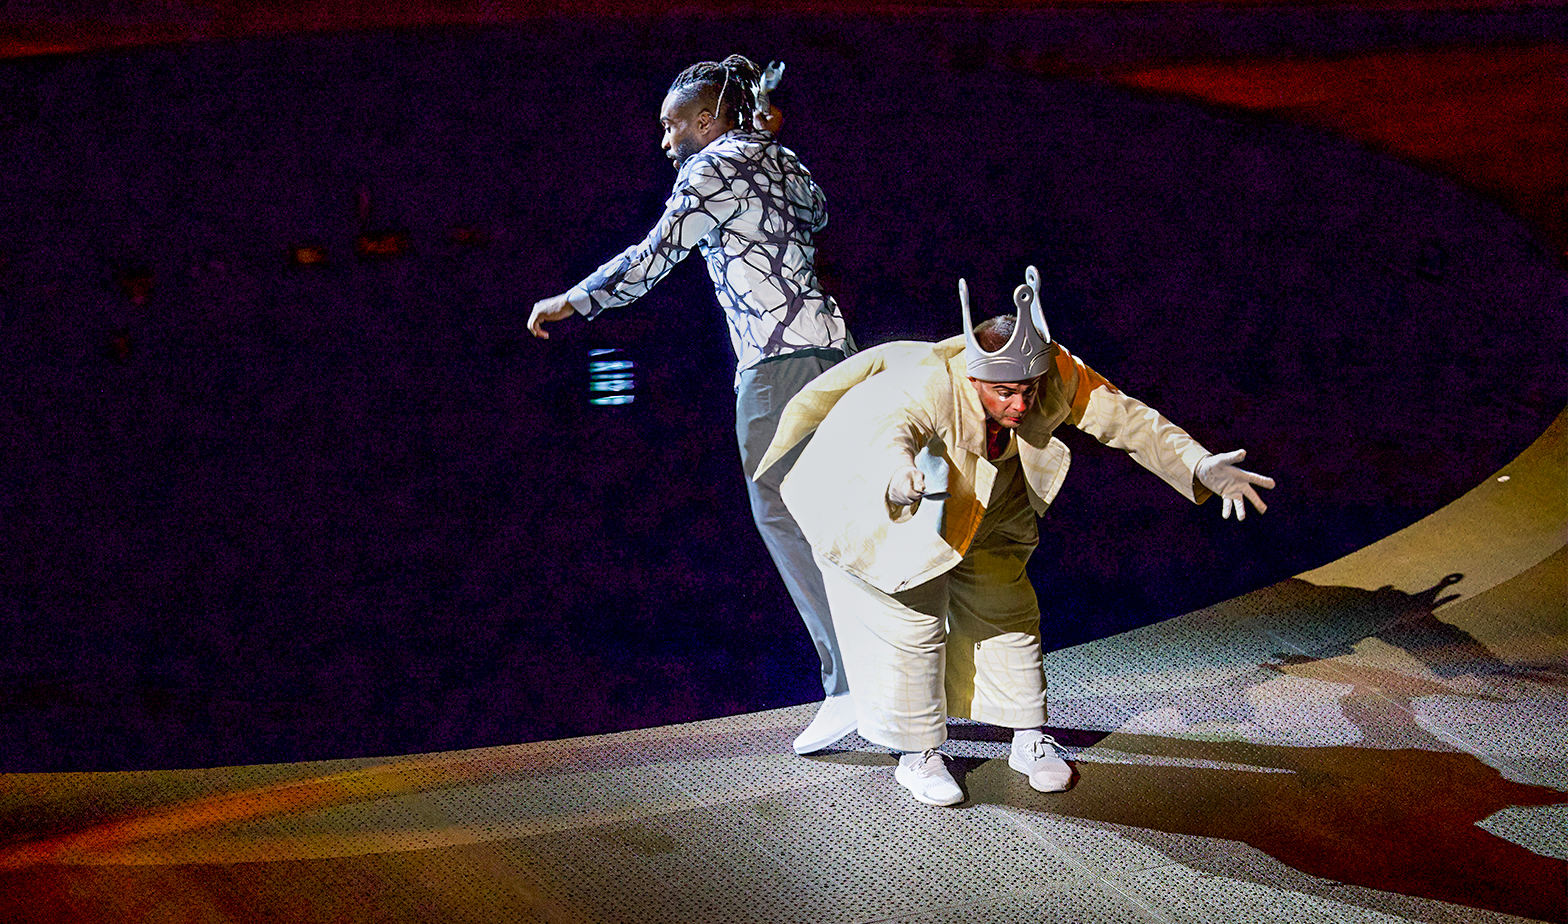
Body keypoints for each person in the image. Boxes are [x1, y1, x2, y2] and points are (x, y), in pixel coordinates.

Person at [754, 267, 1273, 805]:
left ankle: (1028, 736)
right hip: (885, 504)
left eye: (1029, 390)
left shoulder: (1056, 372)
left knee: (1007, 606)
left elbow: (1128, 419)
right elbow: (891, 429)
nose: (1021, 406)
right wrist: (897, 474)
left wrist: (1199, 463)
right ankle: (918, 754)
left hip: (987, 499)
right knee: (909, 616)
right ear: (975, 378)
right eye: (1005, 393)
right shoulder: (927, 382)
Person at [526, 55, 859, 753]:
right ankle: (895, 671)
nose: (665, 141)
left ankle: (849, 686)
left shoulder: (708, 169)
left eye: (673, 125)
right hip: (837, 355)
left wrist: (574, 300)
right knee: (840, 512)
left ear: (707, 120)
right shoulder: (777, 158)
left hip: (777, 365)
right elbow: (819, 211)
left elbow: (652, 259)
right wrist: (767, 135)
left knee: (780, 510)